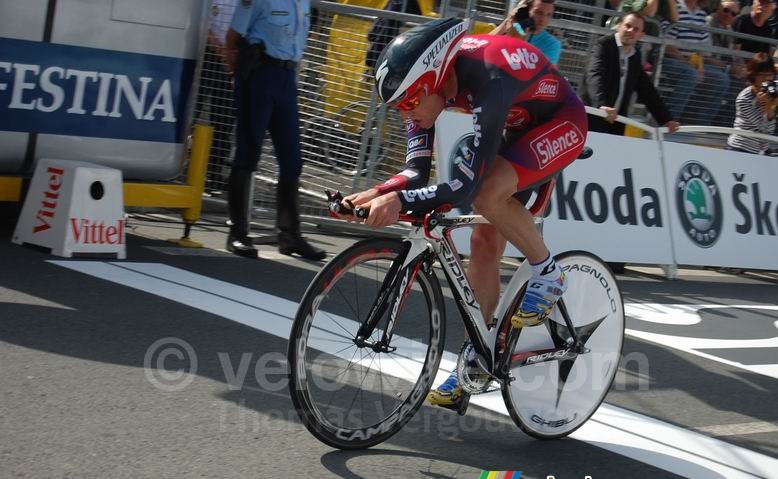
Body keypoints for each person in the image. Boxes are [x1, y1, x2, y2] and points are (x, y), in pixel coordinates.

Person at [341, 18, 588, 407]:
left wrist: (400, 203)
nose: (406, 116)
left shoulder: (487, 77)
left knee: (487, 196)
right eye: (397, 108)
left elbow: (466, 188)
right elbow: (415, 170)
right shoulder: (427, 84)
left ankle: (548, 273)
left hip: (561, 122)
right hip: (516, 124)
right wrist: (375, 192)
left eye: (409, 104)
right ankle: (481, 356)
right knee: (484, 239)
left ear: (433, 82)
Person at [223, 0, 326, 260]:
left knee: (292, 161)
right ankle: (237, 233)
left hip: (286, 80)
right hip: (260, 76)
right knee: (247, 156)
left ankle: (290, 235)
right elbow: (233, 37)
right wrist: (240, 77)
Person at [582, 12, 681, 134]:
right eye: (627, 25)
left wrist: (666, 120)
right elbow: (594, 75)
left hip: (616, 123)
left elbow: (647, 90)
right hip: (590, 118)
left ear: (641, 35)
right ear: (619, 26)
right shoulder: (603, 44)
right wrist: (601, 105)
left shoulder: (635, 56)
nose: (630, 31)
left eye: (636, 29)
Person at [659, 0, 731, 122]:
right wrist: (689, 65)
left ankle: (698, 124)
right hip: (668, 59)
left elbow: (701, 50)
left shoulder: (701, 15)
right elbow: (668, 46)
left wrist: (700, 68)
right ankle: (669, 121)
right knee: (690, 75)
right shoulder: (675, 8)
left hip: (691, 63)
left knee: (721, 79)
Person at [202, 0, 237, 192]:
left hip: (231, 60)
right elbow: (201, 20)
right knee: (191, 111)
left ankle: (213, 173)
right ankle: (178, 167)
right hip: (205, 53)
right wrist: (220, 49)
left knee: (224, 120)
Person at [727, 53, 778, 153]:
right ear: (753, 75)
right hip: (740, 148)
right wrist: (768, 108)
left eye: (768, 75)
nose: (765, 79)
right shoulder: (744, 99)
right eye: (761, 75)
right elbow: (765, 130)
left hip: (762, 151)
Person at [491, 0, 563, 64]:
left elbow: (540, 75)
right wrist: (506, 22)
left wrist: (521, 41)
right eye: (539, 13)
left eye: (549, 15)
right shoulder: (512, 28)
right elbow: (481, 45)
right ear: (527, 11)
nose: (543, 20)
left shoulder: (552, 44)